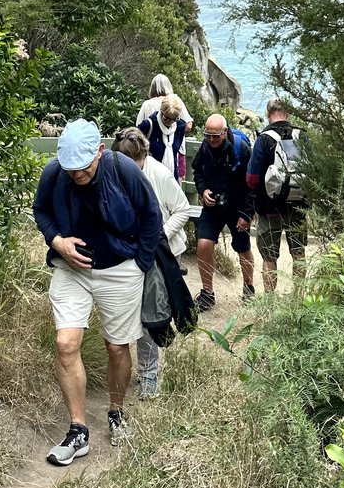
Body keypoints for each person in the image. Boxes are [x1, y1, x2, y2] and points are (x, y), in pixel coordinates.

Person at [32, 118, 163, 466]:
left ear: (100, 152)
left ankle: (116, 411)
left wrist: (140, 264)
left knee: (117, 346)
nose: (77, 175)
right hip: (70, 269)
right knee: (65, 344)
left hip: (120, 269)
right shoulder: (54, 173)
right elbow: (41, 211)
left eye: (83, 167)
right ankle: (78, 430)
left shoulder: (122, 169)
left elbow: (152, 216)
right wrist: (57, 242)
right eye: (70, 169)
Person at [113, 126, 190, 399]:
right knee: (133, 314)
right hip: (134, 252)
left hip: (162, 251)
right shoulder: (116, 174)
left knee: (151, 315)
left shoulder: (159, 174)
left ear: (142, 156)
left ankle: (149, 376)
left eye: (131, 163)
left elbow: (183, 209)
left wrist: (161, 234)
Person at [191, 113, 255, 308]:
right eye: (208, 135)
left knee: (243, 248)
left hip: (237, 207)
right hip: (213, 206)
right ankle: (207, 293)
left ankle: (249, 288)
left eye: (216, 136)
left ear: (225, 132)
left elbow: (253, 184)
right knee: (203, 244)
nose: (211, 140)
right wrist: (203, 191)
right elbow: (198, 172)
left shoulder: (241, 149)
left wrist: (246, 214)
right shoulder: (205, 147)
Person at [246, 97, 308, 292]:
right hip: (297, 205)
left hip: (269, 208)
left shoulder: (264, 139)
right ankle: (298, 299)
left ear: (267, 113)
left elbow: (252, 178)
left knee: (269, 257)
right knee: (298, 253)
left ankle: (270, 304)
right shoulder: (302, 136)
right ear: (287, 113)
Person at [139, 93, 188, 181]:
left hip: (171, 177)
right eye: (166, 118)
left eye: (174, 119)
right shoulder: (149, 125)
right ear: (161, 111)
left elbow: (175, 153)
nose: (169, 122)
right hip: (150, 178)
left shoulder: (180, 126)